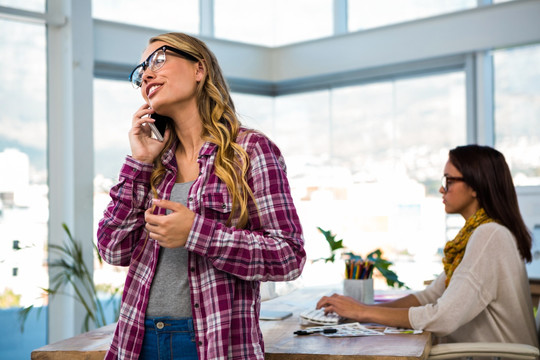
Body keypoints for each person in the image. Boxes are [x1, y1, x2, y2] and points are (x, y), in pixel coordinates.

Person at [97, 32, 306, 360]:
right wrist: (138, 163)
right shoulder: (154, 162)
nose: (147, 75)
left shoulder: (249, 151)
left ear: (199, 69)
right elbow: (113, 250)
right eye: (142, 71)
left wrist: (197, 233)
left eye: (159, 60)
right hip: (138, 340)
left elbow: (288, 257)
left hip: (209, 342)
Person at [317, 145, 538, 347]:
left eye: (449, 181)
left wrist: (364, 312)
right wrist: (359, 310)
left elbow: (444, 318)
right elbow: (430, 296)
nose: (442, 190)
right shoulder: (476, 234)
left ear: (475, 186)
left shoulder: (489, 235)